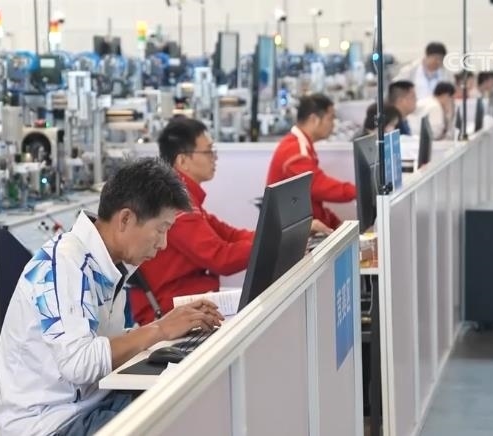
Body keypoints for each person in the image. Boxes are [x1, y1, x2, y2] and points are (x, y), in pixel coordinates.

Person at [0, 158, 224, 436]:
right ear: (125, 219)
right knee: (179, 417)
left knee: (187, 397)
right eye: (160, 229)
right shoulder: (63, 266)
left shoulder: (105, 264)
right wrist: (160, 329)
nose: (163, 244)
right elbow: (79, 363)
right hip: (50, 425)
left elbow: (99, 341)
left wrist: (167, 328)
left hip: (92, 404)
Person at [130, 117, 255, 325]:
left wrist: (275, 234)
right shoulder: (174, 204)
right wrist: (272, 244)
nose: (214, 158)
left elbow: (228, 234)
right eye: (208, 152)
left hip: (191, 300)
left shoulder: (186, 197)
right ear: (182, 161)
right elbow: (221, 258)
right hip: (170, 312)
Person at [267, 94, 355, 230]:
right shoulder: (295, 150)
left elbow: (313, 201)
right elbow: (320, 187)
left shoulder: (301, 146)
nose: (333, 124)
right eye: (330, 118)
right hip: (291, 232)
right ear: (314, 119)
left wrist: (335, 223)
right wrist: (357, 192)